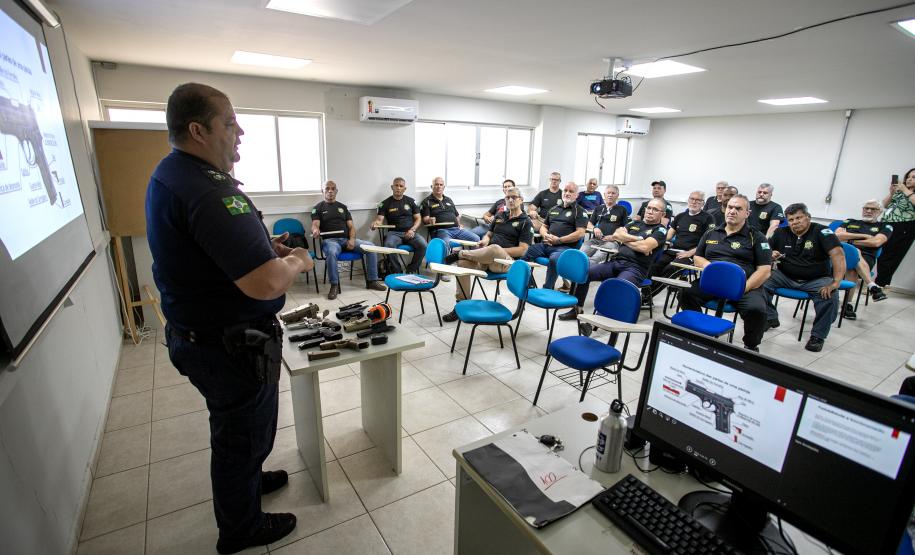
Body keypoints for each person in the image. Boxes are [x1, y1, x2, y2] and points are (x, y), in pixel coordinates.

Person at [146, 83, 311, 553]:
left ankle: (250, 481)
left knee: (241, 429)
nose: (239, 133)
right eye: (230, 123)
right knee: (241, 435)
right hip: (228, 343)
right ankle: (241, 529)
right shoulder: (208, 190)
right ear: (198, 130)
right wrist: (295, 260)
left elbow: (218, 253)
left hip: (201, 333)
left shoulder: (171, 173)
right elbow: (263, 284)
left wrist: (265, 251)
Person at [679, 194, 772, 352]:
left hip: (744, 286)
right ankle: (701, 332)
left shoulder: (757, 237)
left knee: (756, 310)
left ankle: (751, 345)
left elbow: (764, 270)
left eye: (738, 208)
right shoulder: (711, 232)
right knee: (685, 294)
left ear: (747, 214)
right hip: (713, 282)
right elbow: (698, 257)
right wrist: (714, 272)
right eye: (730, 207)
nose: (732, 211)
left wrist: (742, 288)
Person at [559, 198, 668, 321]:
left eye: (655, 209)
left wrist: (625, 239)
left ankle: (597, 321)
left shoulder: (660, 230)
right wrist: (636, 240)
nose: (650, 211)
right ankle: (576, 309)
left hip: (635, 268)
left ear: (662, 214)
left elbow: (644, 247)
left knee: (616, 286)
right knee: (584, 273)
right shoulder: (634, 223)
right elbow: (616, 235)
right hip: (616, 261)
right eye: (648, 208)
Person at [441, 186, 533, 322]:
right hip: (487, 258)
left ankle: (461, 253)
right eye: (508, 197)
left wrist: (497, 251)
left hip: (505, 263)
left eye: (514, 197)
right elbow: (489, 234)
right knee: (462, 264)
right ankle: (461, 304)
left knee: (495, 248)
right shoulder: (500, 215)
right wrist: (484, 241)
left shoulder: (526, 221)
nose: (511, 200)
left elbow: (523, 249)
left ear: (521, 200)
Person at [764, 203, 845, 352]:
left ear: (808, 217)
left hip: (816, 279)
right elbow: (766, 251)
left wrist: (836, 282)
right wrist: (771, 254)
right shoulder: (781, 233)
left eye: (798, 218)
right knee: (759, 282)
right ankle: (769, 317)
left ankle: (817, 336)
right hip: (785, 276)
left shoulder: (822, 231)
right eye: (791, 219)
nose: (795, 222)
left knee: (830, 295)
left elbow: (838, 255)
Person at [310, 180, 387, 300]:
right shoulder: (317, 208)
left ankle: (372, 280)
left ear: (336, 191)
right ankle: (334, 285)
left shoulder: (343, 207)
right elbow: (315, 224)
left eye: (333, 188)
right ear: (323, 191)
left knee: (371, 247)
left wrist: (351, 239)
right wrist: (315, 230)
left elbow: (351, 227)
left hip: (346, 239)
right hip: (330, 241)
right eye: (327, 188)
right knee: (331, 252)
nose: (330, 191)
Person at [647, 191, 716, 295]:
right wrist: (653, 241)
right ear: (688, 200)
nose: (694, 202)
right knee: (654, 264)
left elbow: (707, 242)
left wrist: (690, 253)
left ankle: (648, 297)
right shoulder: (680, 216)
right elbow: (668, 235)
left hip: (691, 255)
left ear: (703, 203)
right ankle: (645, 293)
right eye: (692, 199)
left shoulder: (708, 218)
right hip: (673, 251)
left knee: (670, 268)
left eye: (698, 200)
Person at [524, 181, 588, 290]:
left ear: (576, 195)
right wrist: (545, 235)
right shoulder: (554, 209)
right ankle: (529, 285)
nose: (567, 193)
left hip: (565, 248)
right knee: (526, 252)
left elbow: (580, 233)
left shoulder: (580, 211)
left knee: (554, 259)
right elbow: (544, 226)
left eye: (571, 191)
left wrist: (559, 240)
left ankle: (547, 289)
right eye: (565, 190)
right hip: (547, 244)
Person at [835, 199, 892, 319]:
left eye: (873, 209)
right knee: (853, 252)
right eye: (866, 208)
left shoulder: (885, 226)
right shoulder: (849, 221)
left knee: (853, 259)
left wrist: (849, 239)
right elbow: (836, 236)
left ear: (880, 211)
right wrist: (864, 236)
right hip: (839, 254)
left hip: (867, 258)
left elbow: (876, 242)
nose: (869, 211)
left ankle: (847, 305)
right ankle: (872, 286)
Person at [372, 177, 427, 274]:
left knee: (423, 245)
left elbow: (418, 219)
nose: (398, 188)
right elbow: (379, 220)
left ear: (404, 189)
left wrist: (412, 230)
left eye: (401, 186)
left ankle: (411, 269)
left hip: (411, 232)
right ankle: (397, 271)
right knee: (388, 245)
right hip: (394, 234)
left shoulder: (410, 201)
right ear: (392, 187)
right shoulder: (385, 203)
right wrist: (375, 223)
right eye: (396, 185)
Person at [875, 168, 915, 288]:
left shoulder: (907, 191)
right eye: (908, 176)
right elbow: (885, 205)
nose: (909, 179)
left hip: (904, 225)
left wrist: (905, 190)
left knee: (891, 255)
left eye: (913, 177)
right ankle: (880, 284)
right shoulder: (900, 191)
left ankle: (880, 284)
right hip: (887, 223)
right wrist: (892, 192)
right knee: (881, 253)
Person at [420, 176, 480, 244]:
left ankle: (470, 254)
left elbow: (456, 215)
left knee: (476, 239)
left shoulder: (449, 199)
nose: (439, 186)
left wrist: (459, 224)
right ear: (431, 186)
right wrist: (429, 220)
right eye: (436, 184)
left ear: (444, 187)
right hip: (441, 231)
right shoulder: (426, 201)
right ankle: (451, 254)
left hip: (457, 230)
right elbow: (425, 219)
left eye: (441, 185)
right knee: (446, 243)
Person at [580, 184, 628, 264]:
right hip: (596, 240)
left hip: (612, 242)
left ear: (617, 195)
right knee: (581, 255)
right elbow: (589, 223)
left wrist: (614, 237)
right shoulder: (599, 208)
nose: (610, 195)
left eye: (613, 193)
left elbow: (626, 228)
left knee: (594, 259)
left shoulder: (622, 210)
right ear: (604, 195)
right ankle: (576, 272)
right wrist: (594, 228)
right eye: (608, 193)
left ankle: (585, 274)